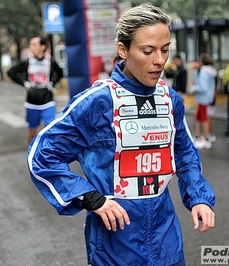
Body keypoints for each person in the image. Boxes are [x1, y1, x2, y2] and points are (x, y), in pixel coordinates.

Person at [27, 4, 215, 266]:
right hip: (114, 246)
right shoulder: (96, 102)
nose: (160, 60)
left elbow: (184, 153)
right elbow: (42, 156)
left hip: (166, 239)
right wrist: (91, 198)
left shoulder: (170, 99)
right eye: (147, 51)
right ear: (123, 50)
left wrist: (198, 198)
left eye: (165, 49)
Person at [7, 36, 63, 144]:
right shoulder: (28, 62)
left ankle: (50, 156)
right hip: (32, 102)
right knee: (32, 131)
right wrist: (24, 83)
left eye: (34, 44)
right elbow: (11, 72)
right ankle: (31, 155)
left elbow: (60, 73)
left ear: (43, 47)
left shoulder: (50, 61)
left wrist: (52, 82)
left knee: (51, 130)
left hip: (47, 101)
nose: (31, 47)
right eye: (30, 45)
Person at [192, 53, 217, 149]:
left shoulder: (203, 72)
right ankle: (198, 136)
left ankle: (206, 138)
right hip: (207, 98)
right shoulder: (211, 71)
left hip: (203, 98)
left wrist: (193, 88)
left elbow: (202, 87)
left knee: (203, 117)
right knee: (199, 116)